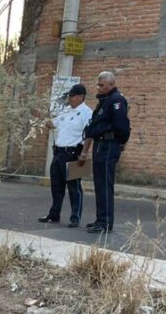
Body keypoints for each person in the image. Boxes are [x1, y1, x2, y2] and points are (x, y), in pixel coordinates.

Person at [83, 71, 131, 234]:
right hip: (100, 144)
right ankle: (101, 219)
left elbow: (122, 126)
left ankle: (105, 222)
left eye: (102, 85)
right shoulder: (104, 101)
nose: (99, 87)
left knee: (104, 184)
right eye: (98, 84)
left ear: (111, 84)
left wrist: (120, 142)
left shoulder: (116, 100)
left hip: (109, 144)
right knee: (99, 184)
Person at [38, 83, 92, 228]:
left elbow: (89, 135)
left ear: (81, 97)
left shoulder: (87, 112)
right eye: (69, 96)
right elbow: (52, 124)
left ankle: (75, 217)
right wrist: (43, 117)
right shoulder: (66, 111)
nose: (70, 98)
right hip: (59, 152)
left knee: (74, 187)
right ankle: (54, 214)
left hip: (74, 152)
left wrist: (84, 153)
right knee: (56, 186)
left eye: (72, 96)